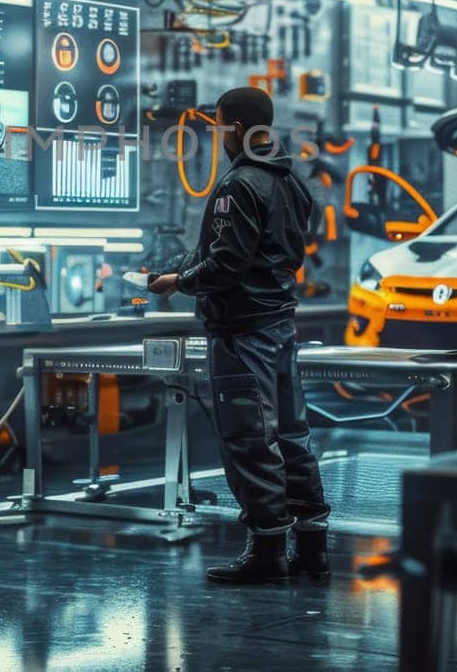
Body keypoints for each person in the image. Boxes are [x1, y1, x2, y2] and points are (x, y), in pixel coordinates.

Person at [150, 87, 331, 585]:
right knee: (292, 436)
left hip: (242, 331)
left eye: (219, 125)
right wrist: (185, 267)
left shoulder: (239, 185)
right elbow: (251, 253)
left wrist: (178, 283)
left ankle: (268, 550)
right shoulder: (291, 183)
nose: (217, 135)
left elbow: (227, 264)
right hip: (279, 326)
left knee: (250, 440)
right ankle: (312, 546)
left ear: (235, 127)